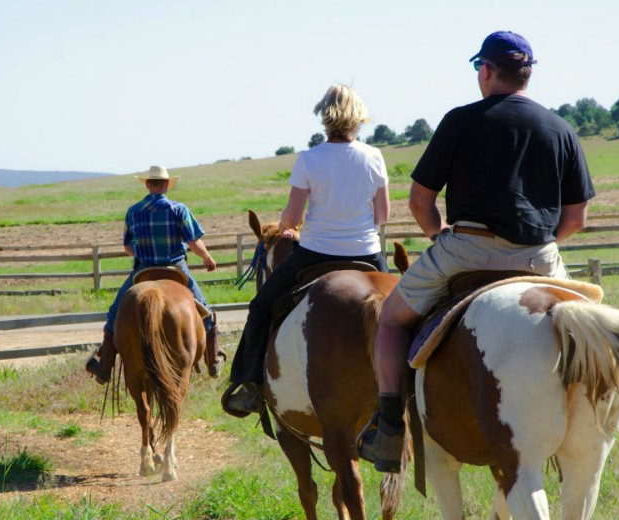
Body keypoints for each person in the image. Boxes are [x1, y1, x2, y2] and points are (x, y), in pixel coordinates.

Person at [359, 30, 596, 473]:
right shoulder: (561, 128)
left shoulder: (460, 120)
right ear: (527, 75)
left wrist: (438, 233)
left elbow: (419, 201)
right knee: (588, 329)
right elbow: (576, 218)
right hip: (540, 257)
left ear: (485, 71)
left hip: (467, 250)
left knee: (391, 318)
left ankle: (390, 427)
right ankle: (587, 421)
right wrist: (538, 244)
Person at [224, 84, 391, 414]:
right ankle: (410, 390)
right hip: (368, 255)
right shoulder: (375, 156)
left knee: (260, 306)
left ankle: (251, 384)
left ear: (323, 117)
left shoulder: (309, 159)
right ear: (359, 118)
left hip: (315, 254)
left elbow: (292, 218)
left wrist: (288, 223)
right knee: (399, 315)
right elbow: (382, 216)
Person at [85, 165, 217, 384]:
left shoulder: (133, 211)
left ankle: (105, 365)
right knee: (206, 312)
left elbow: (127, 246)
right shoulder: (179, 209)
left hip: (143, 270)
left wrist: (141, 251)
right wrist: (207, 257)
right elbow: (193, 241)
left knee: (115, 313)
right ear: (166, 185)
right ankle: (212, 360)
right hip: (176, 269)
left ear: (147, 184)